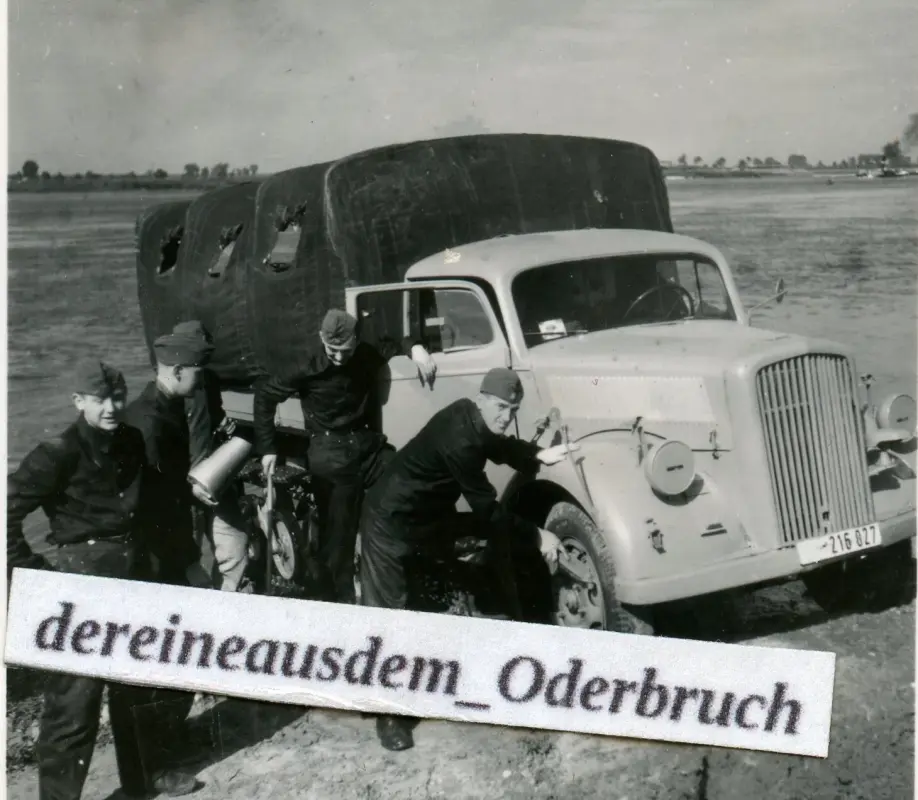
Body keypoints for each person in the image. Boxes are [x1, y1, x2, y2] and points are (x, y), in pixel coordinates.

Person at [6, 361, 197, 799]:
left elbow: (149, 500)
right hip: (81, 582)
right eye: (100, 400)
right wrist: (31, 572)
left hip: (132, 573)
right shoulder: (57, 452)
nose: (112, 407)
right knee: (74, 703)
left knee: (139, 684)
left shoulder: (130, 439)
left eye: (117, 397)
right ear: (79, 402)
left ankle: (145, 778)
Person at [358, 367, 575, 751]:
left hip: (424, 518)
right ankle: (387, 714)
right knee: (389, 613)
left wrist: (537, 453)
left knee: (432, 589)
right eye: (503, 408)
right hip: (388, 524)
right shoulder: (460, 438)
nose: (507, 417)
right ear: (483, 398)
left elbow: (498, 445)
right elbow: (488, 510)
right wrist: (538, 534)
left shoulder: (468, 413)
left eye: (514, 410)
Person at [254, 308, 437, 604]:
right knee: (338, 537)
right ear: (321, 340)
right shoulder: (306, 364)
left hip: (368, 445)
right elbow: (265, 395)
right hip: (330, 452)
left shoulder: (365, 352)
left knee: (406, 481)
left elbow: (396, 339)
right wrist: (268, 447)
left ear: (356, 341)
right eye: (332, 350)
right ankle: (340, 603)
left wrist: (416, 349)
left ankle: (390, 574)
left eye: (345, 350)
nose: (339, 357)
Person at [123, 328, 216, 780]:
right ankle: (159, 767)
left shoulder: (157, 408)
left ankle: (162, 747)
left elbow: (163, 490)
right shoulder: (153, 424)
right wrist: (189, 562)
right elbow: (153, 510)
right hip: (158, 559)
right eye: (197, 369)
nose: (201, 376)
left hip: (159, 552)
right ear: (177, 371)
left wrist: (188, 490)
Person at [173, 320, 252, 593]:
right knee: (187, 560)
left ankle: (228, 605)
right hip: (185, 490)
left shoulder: (209, 379)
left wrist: (223, 425)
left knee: (235, 546)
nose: (204, 362)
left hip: (215, 479)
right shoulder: (167, 395)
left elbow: (213, 415)